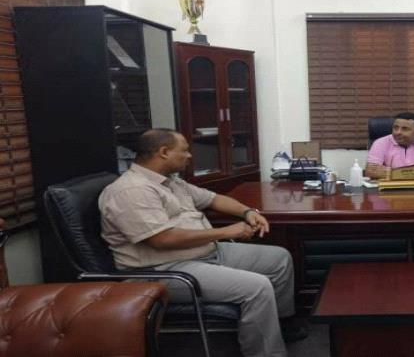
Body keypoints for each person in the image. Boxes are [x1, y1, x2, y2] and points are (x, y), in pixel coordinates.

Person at [99, 129, 305, 357]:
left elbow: (214, 199)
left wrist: (247, 212)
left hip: (203, 254)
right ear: (164, 152)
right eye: (185, 150)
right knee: (257, 287)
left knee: (278, 259)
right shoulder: (131, 190)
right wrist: (225, 232)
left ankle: (278, 325)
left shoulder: (170, 182)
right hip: (163, 270)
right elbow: (161, 239)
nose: (189, 156)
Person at [365, 112, 414, 179]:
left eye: (405, 129)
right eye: (395, 128)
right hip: (391, 189)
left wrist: (392, 172)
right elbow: (370, 171)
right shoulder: (380, 143)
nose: (398, 132)